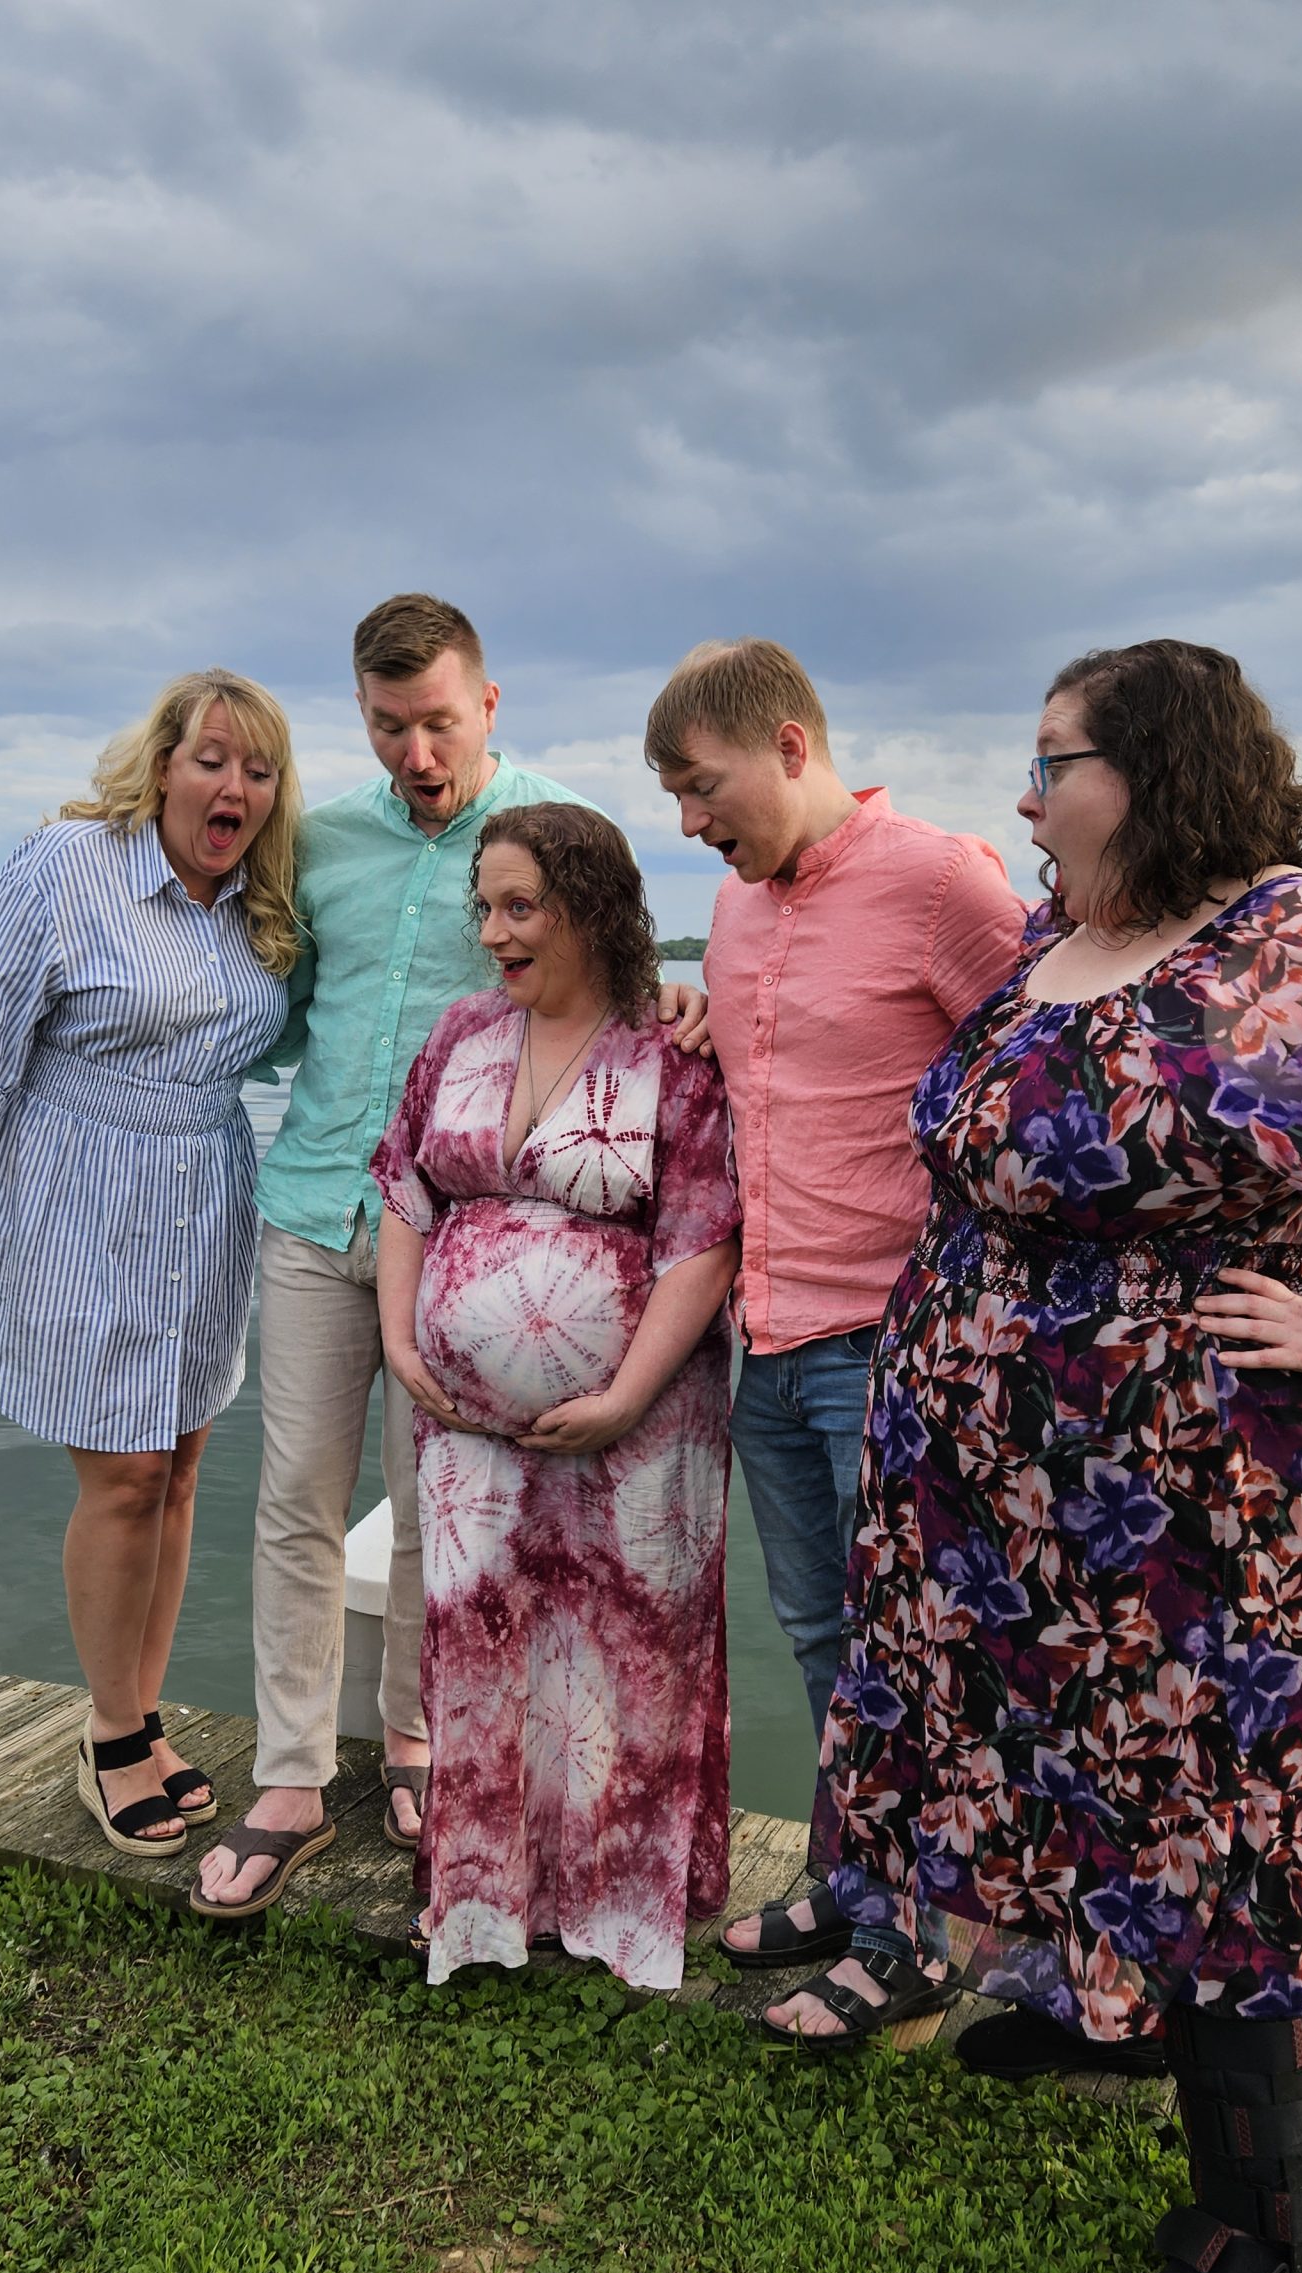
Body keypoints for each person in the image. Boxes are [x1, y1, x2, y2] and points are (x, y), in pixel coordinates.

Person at [783, 638, 1302, 2273]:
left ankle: (1283, 2271)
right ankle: (1109, 2009)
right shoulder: (1074, 939)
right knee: (1107, 1796)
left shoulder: (1294, 945)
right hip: (1040, 1533)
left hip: (1218, 1526)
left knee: (1230, 1842)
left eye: (1052, 760)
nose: (1026, 795)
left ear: (1154, 767)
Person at [192, 596, 706, 1918]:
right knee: (296, 1501)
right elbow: (278, 1015)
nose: (413, 754)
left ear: (487, 703)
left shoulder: (554, 829)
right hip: (315, 1209)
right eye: (384, 726)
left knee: (436, 1509)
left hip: (456, 1240)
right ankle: (292, 1777)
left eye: (435, 723)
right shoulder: (320, 839)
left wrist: (683, 996)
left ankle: (416, 1740)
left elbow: (618, 977)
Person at [0, 671, 302, 1857]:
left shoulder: (266, 897)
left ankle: (138, 1716)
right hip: (79, 1194)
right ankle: (110, 1732)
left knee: (179, 1467)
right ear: (164, 763)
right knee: (125, 1473)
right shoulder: (68, 865)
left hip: (206, 1198)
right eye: (212, 759)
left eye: (258, 770)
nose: (233, 787)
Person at [645, 637, 1027, 2043]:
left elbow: (1042, 1069)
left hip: (893, 1341)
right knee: (823, 1635)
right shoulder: (732, 906)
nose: (692, 819)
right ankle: (854, 1883)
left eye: (703, 785)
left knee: (912, 1649)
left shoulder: (943, 881)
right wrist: (688, 1013)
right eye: (676, 798)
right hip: (768, 1334)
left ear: (791, 746)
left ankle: (926, 1937)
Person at [371, 802, 741, 1988]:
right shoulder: (460, 1032)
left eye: (520, 907)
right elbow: (405, 1194)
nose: (493, 931)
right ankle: (488, 1898)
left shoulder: (668, 1051)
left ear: (590, 908)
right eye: (484, 906)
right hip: (467, 1434)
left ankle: (619, 1898)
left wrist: (625, 1395)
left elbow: (703, 1238)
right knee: (481, 1649)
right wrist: (402, 1344)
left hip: (641, 1436)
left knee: (627, 1658)